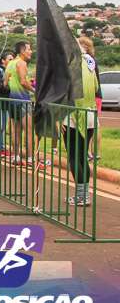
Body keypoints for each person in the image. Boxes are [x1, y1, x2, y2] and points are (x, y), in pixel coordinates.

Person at [67, 37, 101, 206]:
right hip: (90, 112)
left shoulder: (70, 65)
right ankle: (84, 195)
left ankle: (81, 196)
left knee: (74, 156)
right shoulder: (89, 62)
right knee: (82, 156)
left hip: (74, 113)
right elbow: (95, 87)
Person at [5, 41, 37, 168]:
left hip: (12, 101)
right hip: (23, 100)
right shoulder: (21, 63)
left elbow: (5, 84)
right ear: (22, 51)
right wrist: (34, 90)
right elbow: (24, 82)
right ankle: (30, 159)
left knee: (15, 131)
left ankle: (16, 157)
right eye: (29, 49)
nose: (31, 52)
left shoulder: (10, 64)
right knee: (29, 131)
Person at [77, 37, 103, 163]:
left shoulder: (86, 60)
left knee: (89, 124)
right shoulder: (91, 60)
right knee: (94, 124)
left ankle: (88, 152)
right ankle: (95, 153)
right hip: (96, 95)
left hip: (91, 96)